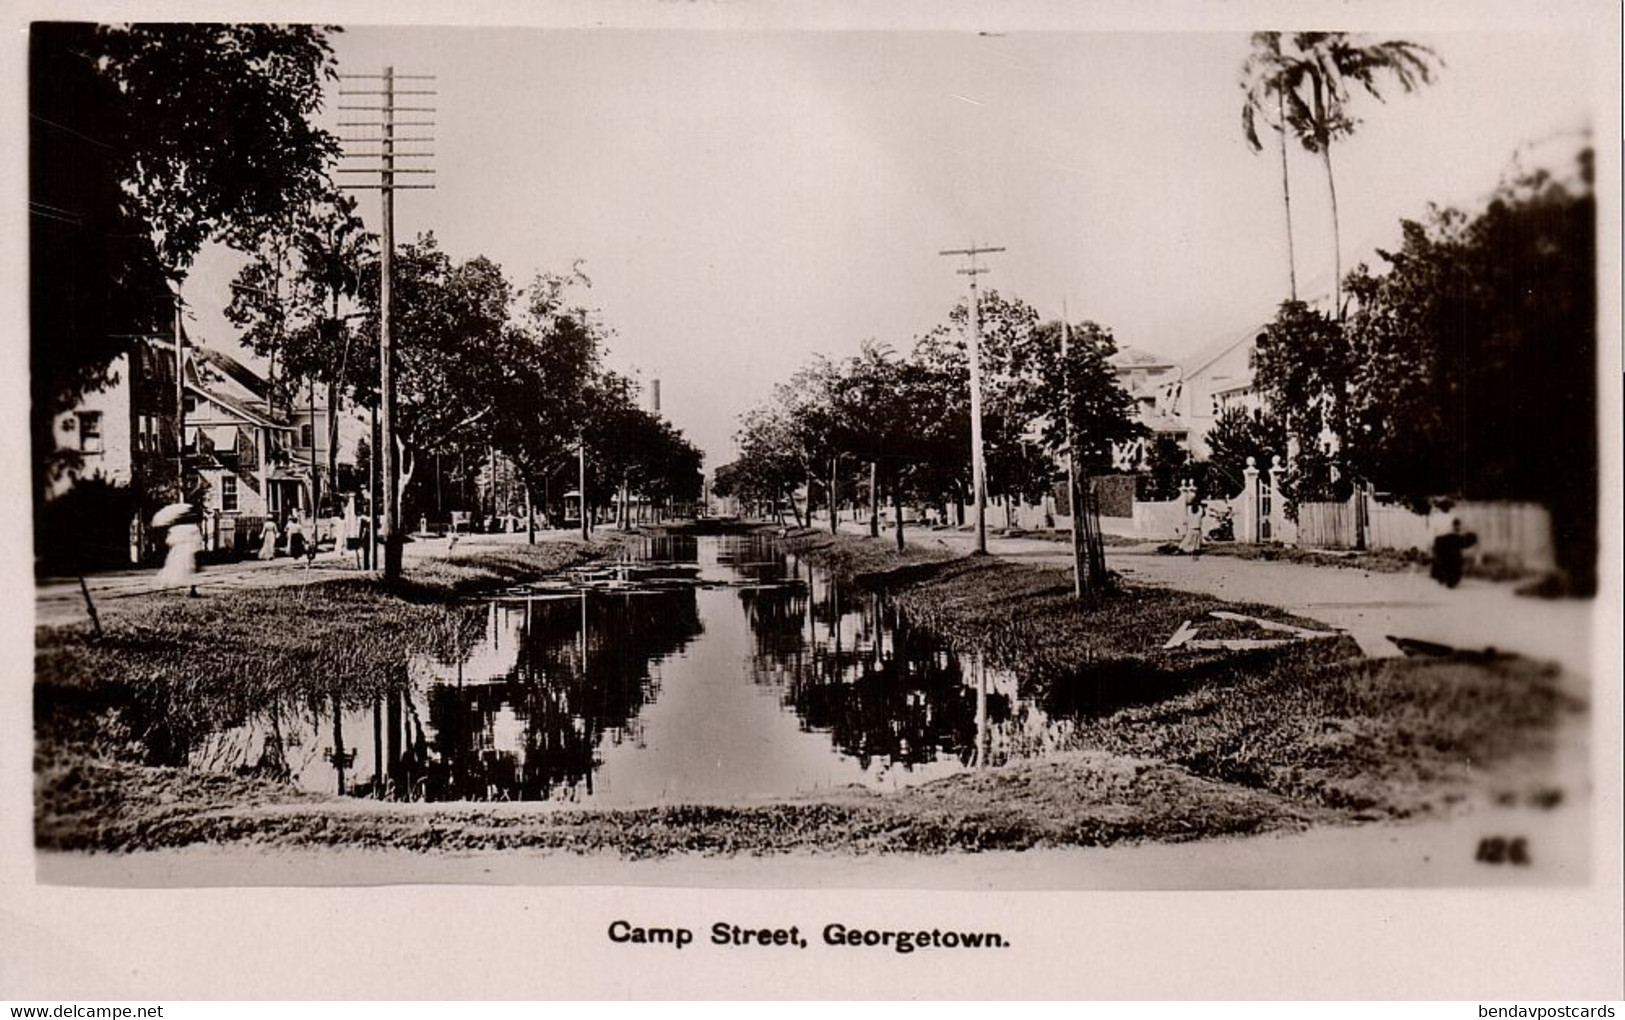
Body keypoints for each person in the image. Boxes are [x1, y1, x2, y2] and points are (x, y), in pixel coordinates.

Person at [160, 508, 203, 596]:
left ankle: (164, 587)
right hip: (188, 550)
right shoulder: (194, 528)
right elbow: (197, 540)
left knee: (172, 569)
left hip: (177, 550)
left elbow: (169, 541)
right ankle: (192, 590)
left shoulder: (175, 529)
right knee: (190, 570)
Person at [1430, 517, 1477, 589]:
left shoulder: (1456, 536)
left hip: (1447, 553)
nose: (1457, 527)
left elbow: (1438, 542)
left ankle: (1446, 579)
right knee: (1451, 565)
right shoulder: (1456, 536)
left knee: (1450, 565)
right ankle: (1447, 580)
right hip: (1448, 554)